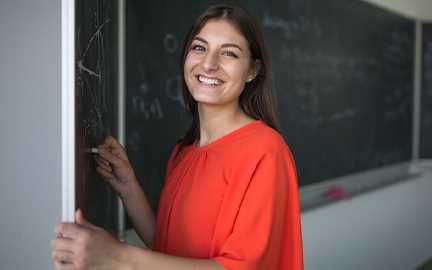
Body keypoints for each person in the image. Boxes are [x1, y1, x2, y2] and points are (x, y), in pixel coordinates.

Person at [51, 4, 303, 270]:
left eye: (228, 53)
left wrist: (117, 257)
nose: (209, 63)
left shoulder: (265, 151)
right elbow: (170, 250)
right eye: (199, 48)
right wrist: (129, 188)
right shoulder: (183, 152)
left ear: (252, 71)